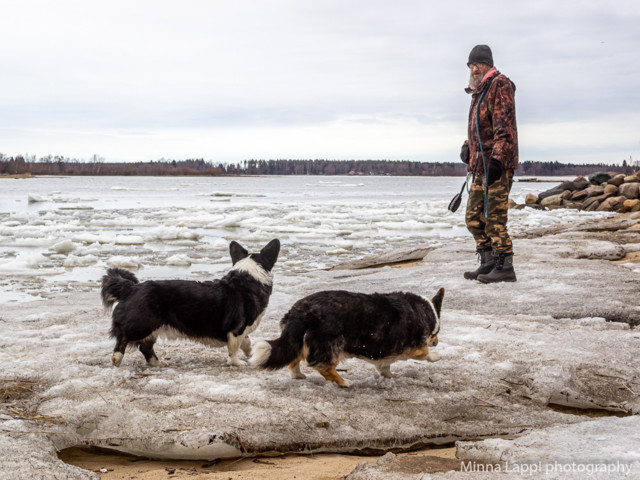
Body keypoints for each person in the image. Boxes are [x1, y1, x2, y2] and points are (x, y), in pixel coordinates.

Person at [460, 44, 518, 283]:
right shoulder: (478, 90)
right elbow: (479, 127)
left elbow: (504, 127)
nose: (474, 68)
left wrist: (497, 159)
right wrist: (467, 146)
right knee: (473, 218)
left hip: (497, 164)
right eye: (471, 65)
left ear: (488, 65)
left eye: (478, 64)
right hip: (479, 165)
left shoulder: (500, 85)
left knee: (494, 218)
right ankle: (488, 262)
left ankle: (505, 266)